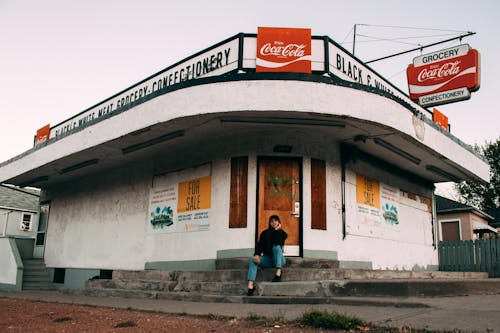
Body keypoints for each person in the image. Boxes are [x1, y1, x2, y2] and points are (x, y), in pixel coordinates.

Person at [246, 214, 287, 296]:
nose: (274, 222)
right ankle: (250, 286)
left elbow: (278, 242)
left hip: (279, 260)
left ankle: (278, 273)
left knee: (276, 247)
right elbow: (259, 245)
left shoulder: (283, 234)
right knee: (253, 259)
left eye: (276, 221)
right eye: (271, 221)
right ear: (269, 222)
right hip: (268, 260)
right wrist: (257, 254)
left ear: (279, 222)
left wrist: (277, 230)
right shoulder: (264, 234)